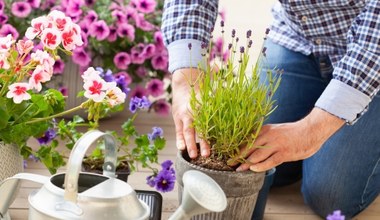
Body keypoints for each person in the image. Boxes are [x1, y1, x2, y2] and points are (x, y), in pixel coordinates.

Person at [161, 0, 380, 218]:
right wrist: (185, 78)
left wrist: (313, 129)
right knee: (261, 163)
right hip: (301, 36)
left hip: (372, 59)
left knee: (330, 198)